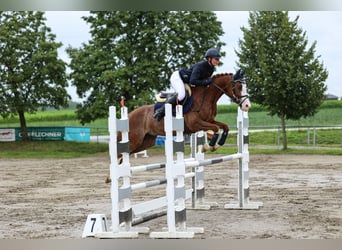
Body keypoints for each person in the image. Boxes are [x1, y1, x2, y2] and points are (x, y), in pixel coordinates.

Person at [153, 48, 221, 121]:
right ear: (209, 59)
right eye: (216, 59)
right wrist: (206, 82)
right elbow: (193, 81)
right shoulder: (200, 66)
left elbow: (203, 81)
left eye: (218, 59)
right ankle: (160, 111)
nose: (218, 61)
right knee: (181, 95)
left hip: (186, 81)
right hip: (178, 77)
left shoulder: (211, 69)